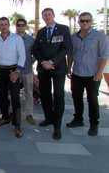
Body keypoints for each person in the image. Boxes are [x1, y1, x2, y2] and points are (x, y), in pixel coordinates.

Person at [67, 12, 109, 136]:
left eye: (87, 21)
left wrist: (99, 72)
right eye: (82, 21)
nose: (85, 23)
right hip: (77, 73)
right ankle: (78, 119)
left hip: (93, 74)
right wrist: (69, 68)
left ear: (91, 22)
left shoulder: (99, 36)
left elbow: (104, 56)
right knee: (76, 97)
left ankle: (94, 124)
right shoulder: (74, 37)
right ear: (78, 22)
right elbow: (71, 54)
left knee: (92, 100)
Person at [32, 8, 72, 140]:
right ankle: (49, 118)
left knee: (59, 96)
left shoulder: (63, 29)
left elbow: (66, 48)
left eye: (49, 14)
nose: (47, 17)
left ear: (53, 15)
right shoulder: (41, 32)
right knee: (45, 95)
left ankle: (57, 126)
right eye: (45, 15)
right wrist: (43, 61)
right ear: (43, 18)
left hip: (58, 68)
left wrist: (52, 61)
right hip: (43, 69)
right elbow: (35, 49)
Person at [0, 17, 26, 138]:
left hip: (13, 71)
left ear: (9, 25)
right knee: (2, 96)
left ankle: (17, 125)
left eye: (6, 24)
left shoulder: (17, 38)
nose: (4, 26)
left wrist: (17, 72)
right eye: (1, 24)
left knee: (15, 98)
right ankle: (5, 117)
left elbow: (22, 56)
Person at [15, 18, 36, 125]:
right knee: (13, 93)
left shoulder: (31, 40)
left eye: (22, 25)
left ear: (25, 26)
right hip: (14, 71)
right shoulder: (12, 38)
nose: (20, 27)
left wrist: (30, 62)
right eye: (18, 25)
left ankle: (29, 114)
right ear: (16, 26)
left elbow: (35, 54)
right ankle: (14, 113)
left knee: (29, 93)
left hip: (27, 70)